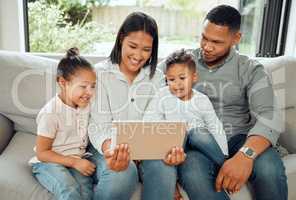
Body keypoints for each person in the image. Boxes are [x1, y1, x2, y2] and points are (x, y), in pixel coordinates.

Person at [159, 5, 287, 200]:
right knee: (192, 172)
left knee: (269, 167)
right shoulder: (183, 61)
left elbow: (270, 116)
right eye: (204, 38)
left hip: (239, 138)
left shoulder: (250, 69)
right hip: (197, 144)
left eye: (216, 42)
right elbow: (150, 85)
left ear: (236, 39)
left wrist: (245, 155)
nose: (207, 47)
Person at [88, 12, 186, 200]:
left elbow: (157, 120)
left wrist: (168, 149)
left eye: (146, 49)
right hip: (106, 146)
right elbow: (99, 125)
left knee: (164, 169)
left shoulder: (157, 78)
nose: (138, 56)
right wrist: (111, 150)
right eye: (132, 46)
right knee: (123, 172)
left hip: (146, 149)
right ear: (121, 39)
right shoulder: (99, 74)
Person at [29, 47, 97, 200]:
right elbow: (42, 153)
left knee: (86, 192)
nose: (90, 92)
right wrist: (74, 162)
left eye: (93, 86)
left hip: (75, 160)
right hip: (48, 162)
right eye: (83, 86)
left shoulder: (85, 105)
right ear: (63, 83)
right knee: (70, 190)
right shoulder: (51, 113)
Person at [144, 48, 228, 165]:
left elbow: (215, 127)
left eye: (182, 78)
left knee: (197, 133)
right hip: (175, 144)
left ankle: (223, 163)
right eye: (171, 79)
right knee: (177, 137)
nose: (177, 83)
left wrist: (224, 153)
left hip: (199, 145)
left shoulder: (202, 100)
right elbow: (150, 120)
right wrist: (168, 129)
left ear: (194, 77)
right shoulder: (162, 95)